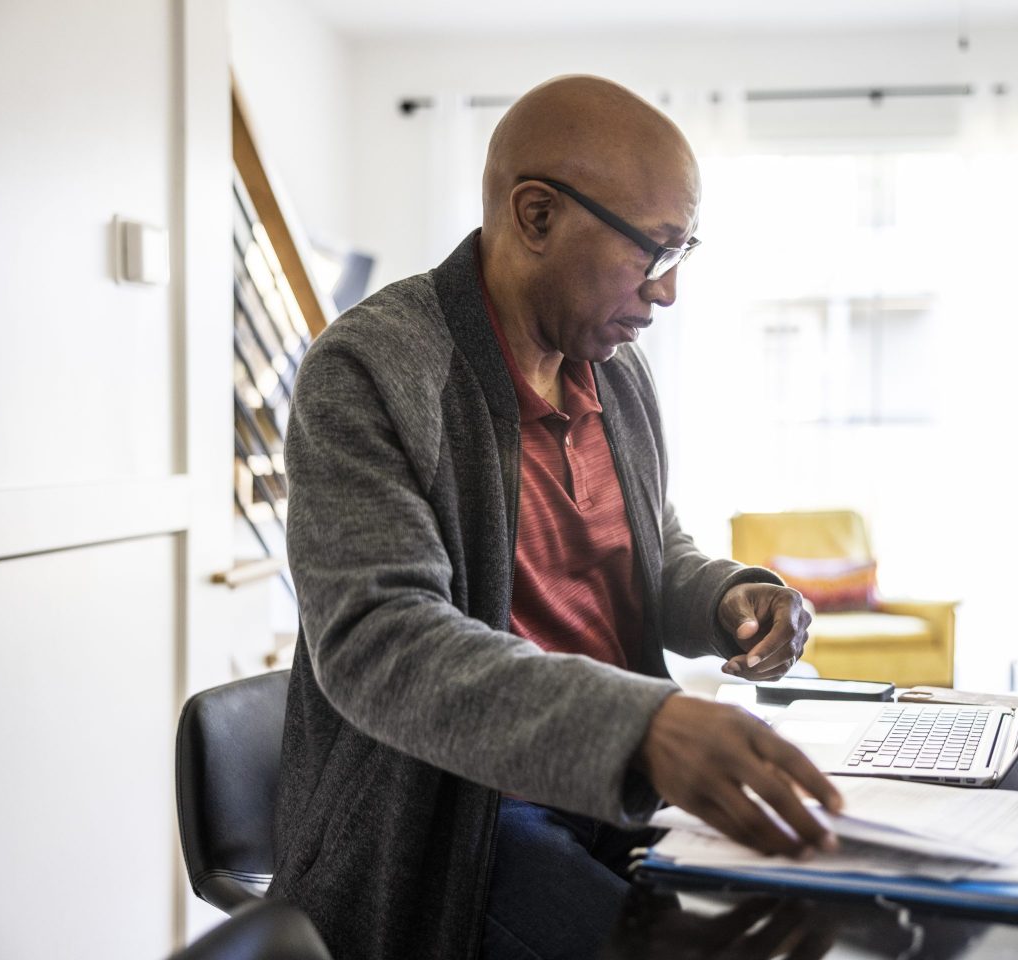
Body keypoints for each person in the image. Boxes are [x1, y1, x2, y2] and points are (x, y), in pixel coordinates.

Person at [271, 74, 844, 960]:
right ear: (535, 216)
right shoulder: (371, 368)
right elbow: (380, 640)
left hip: (615, 790)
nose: (669, 291)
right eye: (655, 252)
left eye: (686, 252)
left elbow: (649, 555)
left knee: (830, 914)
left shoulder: (613, 368)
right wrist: (643, 725)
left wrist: (731, 593)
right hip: (460, 816)